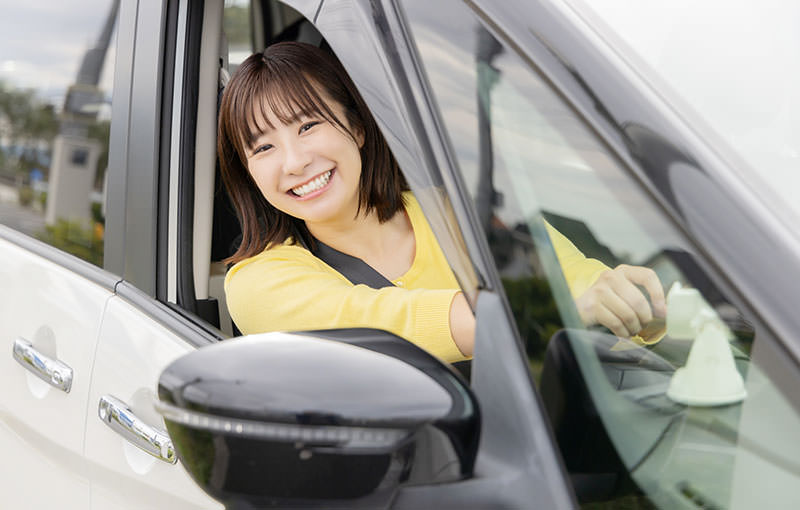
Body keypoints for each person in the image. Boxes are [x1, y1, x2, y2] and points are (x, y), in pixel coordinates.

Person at [218, 42, 666, 363]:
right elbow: (382, 327)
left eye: (307, 126)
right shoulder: (258, 284)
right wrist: (555, 314)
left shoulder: (459, 212)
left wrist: (630, 302)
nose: (295, 162)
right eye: (262, 148)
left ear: (356, 128)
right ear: (249, 172)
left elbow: (576, 280)